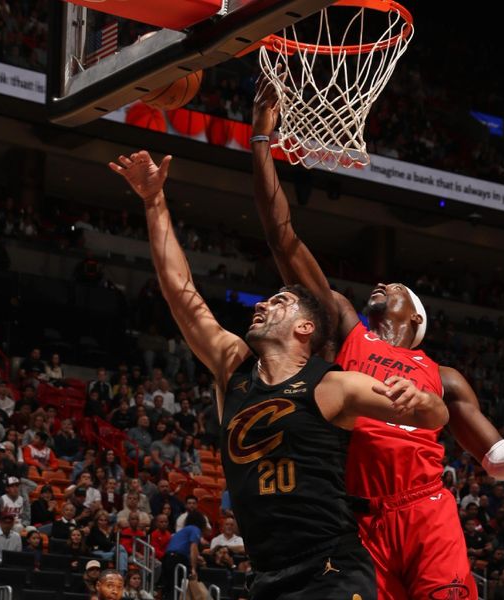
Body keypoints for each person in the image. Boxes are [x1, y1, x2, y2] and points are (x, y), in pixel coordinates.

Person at [249, 76, 504, 600]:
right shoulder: (345, 328)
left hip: (426, 510)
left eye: (397, 288)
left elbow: (495, 459)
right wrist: (261, 142)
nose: (382, 285)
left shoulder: (445, 378)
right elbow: (283, 237)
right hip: (361, 520)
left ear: (414, 318)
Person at [110, 150, 449, 600]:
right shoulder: (233, 366)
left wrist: (418, 398)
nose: (261, 305)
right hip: (268, 577)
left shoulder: (333, 385)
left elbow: (435, 416)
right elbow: (180, 292)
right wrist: (154, 201)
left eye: (278, 303)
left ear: (305, 327)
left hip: (333, 569)